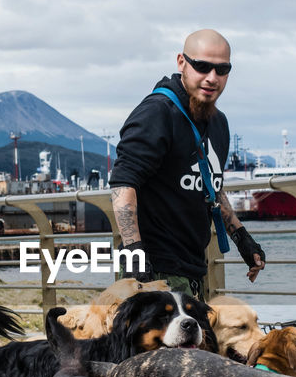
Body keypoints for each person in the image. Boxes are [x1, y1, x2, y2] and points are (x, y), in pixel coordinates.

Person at [109, 29, 265, 299]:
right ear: (181, 62)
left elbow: (210, 186)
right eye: (202, 66)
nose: (212, 78)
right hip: (154, 271)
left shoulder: (218, 122)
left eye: (222, 69)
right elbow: (123, 184)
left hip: (193, 268)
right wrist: (134, 253)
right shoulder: (156, 113)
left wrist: (241, 237)